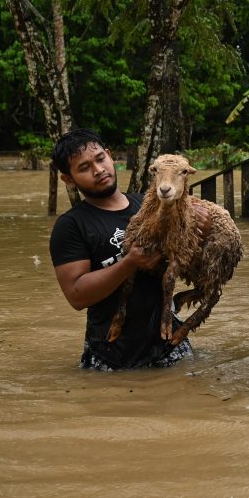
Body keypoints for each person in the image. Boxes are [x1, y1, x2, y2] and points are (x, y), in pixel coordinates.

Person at [49, 128, 206, 371]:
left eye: (100, 159)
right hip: (112, 356)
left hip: (171, 348)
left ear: (110, 156)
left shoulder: (148, 206)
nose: (98, 170)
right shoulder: (71, 225)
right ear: (68, 179)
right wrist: (129, 263)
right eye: (84, 167)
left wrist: (201, 228)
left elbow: (190, 262)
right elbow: (76, 295)